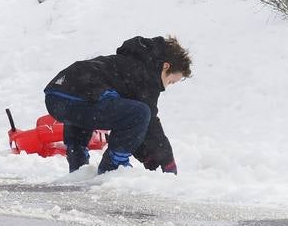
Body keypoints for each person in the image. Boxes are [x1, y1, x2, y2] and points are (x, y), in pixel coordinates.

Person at [43, 36, 192, 174]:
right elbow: (149, 122)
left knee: (89, 107)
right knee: (141, 112)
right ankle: (113, 165)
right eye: (171, 81)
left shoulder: (127, 64)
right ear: (166, 67)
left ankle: (78, 163)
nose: (166, 86)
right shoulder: (147, 75)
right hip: (80, 93)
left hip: (55, 96)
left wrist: (146, 156)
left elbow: (127, 124)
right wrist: (168, 161)